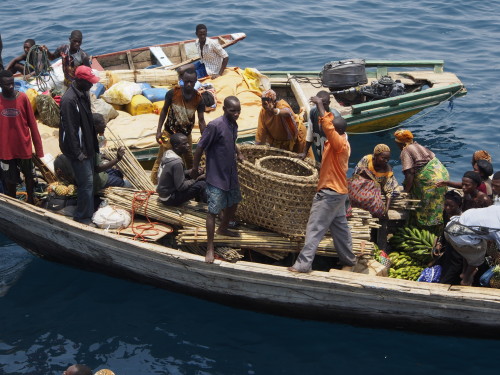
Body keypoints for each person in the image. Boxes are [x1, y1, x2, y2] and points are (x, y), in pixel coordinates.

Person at [288, 96, 355, 273]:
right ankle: (349, 259)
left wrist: (319, 104)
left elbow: (327, 125)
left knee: (314, 227)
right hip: (339, 193)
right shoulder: (339, 141)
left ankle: (303, 264)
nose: (327, 130)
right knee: (340, 228)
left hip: (329, 193)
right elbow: (325, 123)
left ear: (336, 131)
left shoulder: (339, 144)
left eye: (331, 129)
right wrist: (319, 112)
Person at [191, 96, 244, 263]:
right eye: (232, 111)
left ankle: (223, 228)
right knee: (213, 211)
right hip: (216, 175)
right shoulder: (215, 126)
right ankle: (210, 247)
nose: (236, 114)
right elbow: (200, 147)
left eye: (238, 111)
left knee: (234, 201)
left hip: (230, 172)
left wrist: (239, 153)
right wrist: (194, 168)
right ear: (224, 109)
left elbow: (232, 140)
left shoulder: (233, 124)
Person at [59, 65, 100, 224]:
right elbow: (70, 130)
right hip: (78, 149)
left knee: (89, 182)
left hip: (88, 146)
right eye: (89, 82)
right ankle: (82, 217)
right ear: (80, 80)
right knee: (86, 184)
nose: (92, 85)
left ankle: (87, 211)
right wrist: (78, 153)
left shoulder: (83, 93)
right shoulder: (69, 100)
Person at [151, 68, 206, 184]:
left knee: (190, 159)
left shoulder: (199, 99)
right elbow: (164, 111)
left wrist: (205, 138)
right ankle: (154, 183)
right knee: (162, 157)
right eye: (186, 81)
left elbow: (201, 120)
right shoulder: (172, 93)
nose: (189, 84)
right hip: (169, 133)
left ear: (196, 81)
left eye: (192, 82)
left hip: (186, 136)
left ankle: (192, 183)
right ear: (182, 80)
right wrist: (158, 131)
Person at [0, 69, 44, 204]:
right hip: (6, 149)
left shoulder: (23, 98)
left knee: (29, 175)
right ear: (1, 85)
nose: (11, 86)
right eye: (7, 84)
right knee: (9, 178)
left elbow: (33, 124)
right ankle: (14, 202)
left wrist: (39, 149)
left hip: (23, 146)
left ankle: (31, 199)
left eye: (12, 83)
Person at [394, 129, 449, 227]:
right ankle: (439, 224)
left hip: (430, 179)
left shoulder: (405, 151)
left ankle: (426, 226)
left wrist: (406, 191)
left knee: (425, 205)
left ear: (401, 143)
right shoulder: (418, 145)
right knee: (437, 201)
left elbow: (410, 173)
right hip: (442, 174)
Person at [444, 205, 500, 286]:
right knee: (478, 256)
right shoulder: (498, 228)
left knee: (470, 251)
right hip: (458, 237)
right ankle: (466, 279)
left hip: (451, 226)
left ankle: (464, 271)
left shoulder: (497, 209)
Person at [255, 89, 312, 159]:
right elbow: (261, 132)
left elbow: (287, 113)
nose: (265, 105)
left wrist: (273, 110)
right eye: (263, 102)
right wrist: (257, 150)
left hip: (297, 136)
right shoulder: (263, 112)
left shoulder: (281, 104)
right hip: (281, 143)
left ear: (273, 102)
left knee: (303, 159)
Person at [157, 133, 206, 206]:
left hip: (164, 194)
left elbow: (175, 174)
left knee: (192, 175)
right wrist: (196, 179)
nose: (188, 145)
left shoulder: (168, 154)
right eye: (184, 144)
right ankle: (203, 205)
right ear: (176, 146)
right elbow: (181, 187)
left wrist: (190, 171)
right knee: (202, 184)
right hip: (169, 199)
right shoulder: (177, 162)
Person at [351, 143, 399, 218]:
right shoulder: (367, 159)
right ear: (375, 156)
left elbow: (389, 192)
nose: (386, 161)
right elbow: (356, 173)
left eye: (388, 159)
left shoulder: (388, 170)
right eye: (383, 158)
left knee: (396, 191)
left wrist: (386, 210)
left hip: (378, 186)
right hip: (365, 183)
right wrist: (370, 179)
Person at [300, 90, 341, 163]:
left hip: (332, 156)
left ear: (329, 103)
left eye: (323, 104)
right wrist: (305, 152)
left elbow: (339, 141)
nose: (320, 107)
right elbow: (310, 133)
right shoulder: (313, 112)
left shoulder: (335, 116)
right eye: (319, 104)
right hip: (320, 152)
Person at [433, 190, 464, 285]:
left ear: (458, 205)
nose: (447, 208)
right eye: (445, 205)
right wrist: (440, 243)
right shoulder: (446, 213)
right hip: (448, 251)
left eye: (451, 206)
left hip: (458, 253)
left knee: (449, 277)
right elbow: (445, 229)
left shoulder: (462, 220)